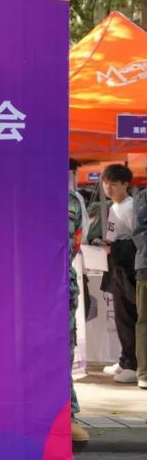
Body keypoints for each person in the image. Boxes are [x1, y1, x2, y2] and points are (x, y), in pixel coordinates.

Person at [96, 164, 138, 384]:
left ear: (125, 184)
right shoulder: (115, 207)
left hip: (128, 272)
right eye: (105, 183)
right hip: (117, 269)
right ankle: (125, 359)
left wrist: (114, 249)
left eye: (113, 183)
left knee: (129, 317)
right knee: (122, 317)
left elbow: (138, 241)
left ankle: (133, 364)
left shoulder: (130, 207)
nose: (108, 187)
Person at [68, 160, 90, 445]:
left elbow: (72, 243)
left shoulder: (70, 201)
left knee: (62, 349)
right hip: (28, 285)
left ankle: (66, 414)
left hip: (59, 285)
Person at [132, 171, 147, 390]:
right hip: (146, 266)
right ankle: (144, 372)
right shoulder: (143, 196)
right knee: (144, 320)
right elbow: (140, 231)